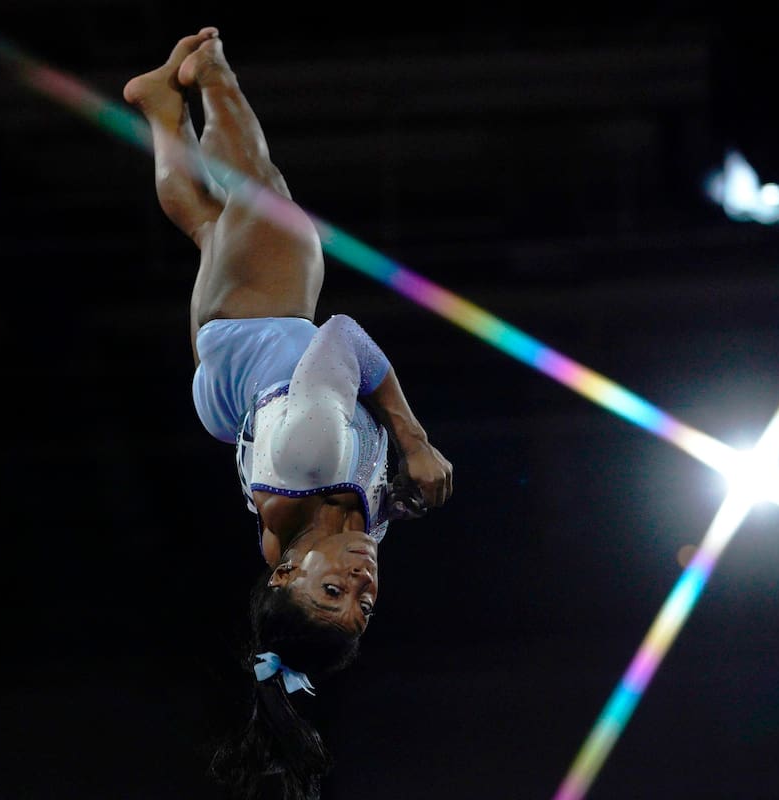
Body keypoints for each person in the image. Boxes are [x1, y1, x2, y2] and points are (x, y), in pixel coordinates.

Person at [122, 27, 453, 800]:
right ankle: (160, 105)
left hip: (257, 327)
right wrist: (398, 497)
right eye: (362, 605)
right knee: (210, 223)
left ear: (284, 575)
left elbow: (344, 337)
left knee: (261, 192)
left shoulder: (313, 459)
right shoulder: (330, 531)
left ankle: (210, 73)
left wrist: (415, 439)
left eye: (331, 592)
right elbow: (355, 509)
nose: (359, 583)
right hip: (229, 391)